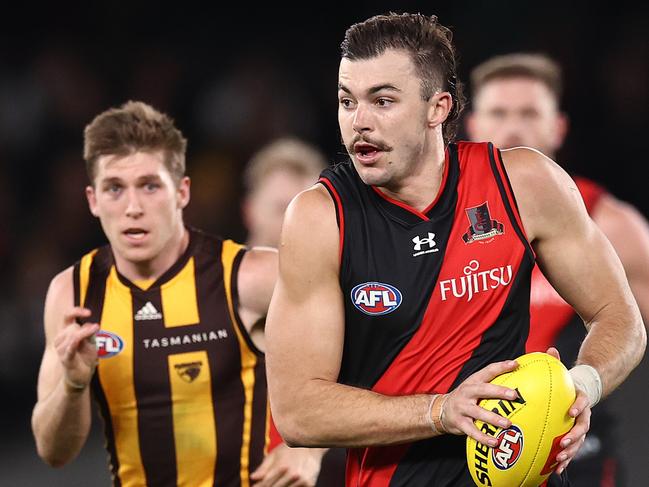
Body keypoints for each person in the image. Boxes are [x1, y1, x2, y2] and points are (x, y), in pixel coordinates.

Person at [265, 12, 646, 487]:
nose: (358, 122)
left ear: (438, 107)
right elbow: (298, 412)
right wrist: (442, 411)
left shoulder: (522, 183)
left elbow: (621, 316)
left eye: (382, 101)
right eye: (347, 101)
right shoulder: (321, 218)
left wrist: (579, 389)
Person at [31, 101, 323, 487]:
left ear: (182, 192)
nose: (133, 207)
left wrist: (308, 448)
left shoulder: (249, 276)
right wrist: (73, 383)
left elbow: (368, 344)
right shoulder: (73, 293)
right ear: (92, 200)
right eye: (114, 188)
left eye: (150, 186)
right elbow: (53, 452)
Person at [465, 52, 649, 486]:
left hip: (577, 451)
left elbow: (633, 329)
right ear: (471, 125)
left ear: (558, 127)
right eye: (498, 112)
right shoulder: (435, 221)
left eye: (529, 113)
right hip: (472, 446)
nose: (513, 127)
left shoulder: (610, 225)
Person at [240, 137, 347, 486]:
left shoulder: (347, 297)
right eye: (281, 207)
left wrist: (310, 448)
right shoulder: (207, 290)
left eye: (305, 206)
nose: (295, 220)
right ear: (250, 210)